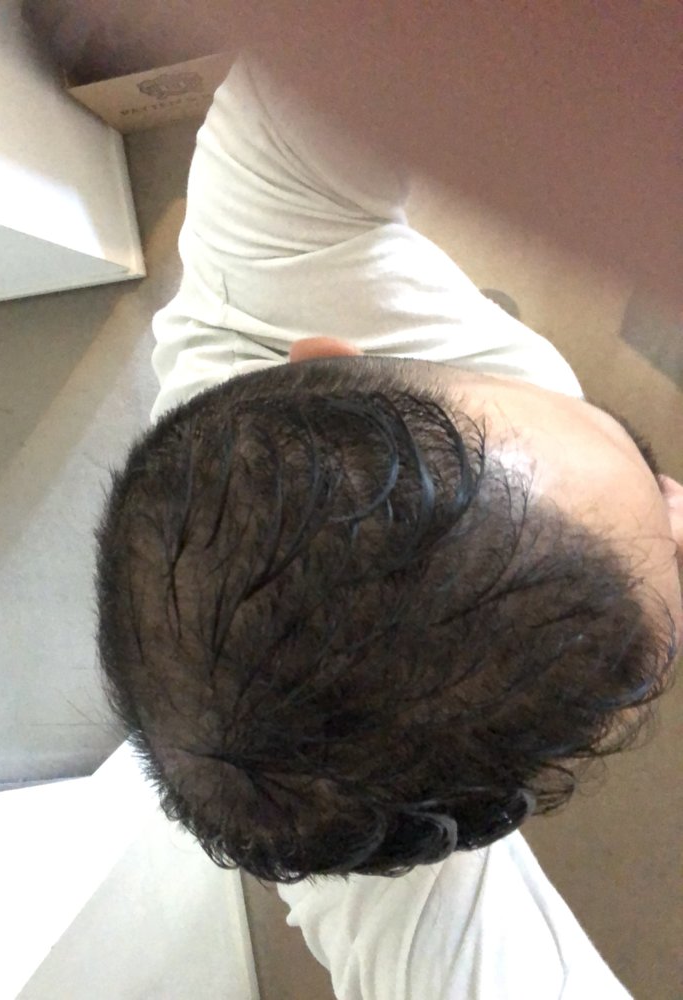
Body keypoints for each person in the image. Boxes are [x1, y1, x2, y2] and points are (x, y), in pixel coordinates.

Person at [94, 51, 682, 998]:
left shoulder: (265, 275)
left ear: (330, 353)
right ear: (481, 806)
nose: (678, 505)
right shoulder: (374, 854)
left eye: (622, 444)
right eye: (633, 667)